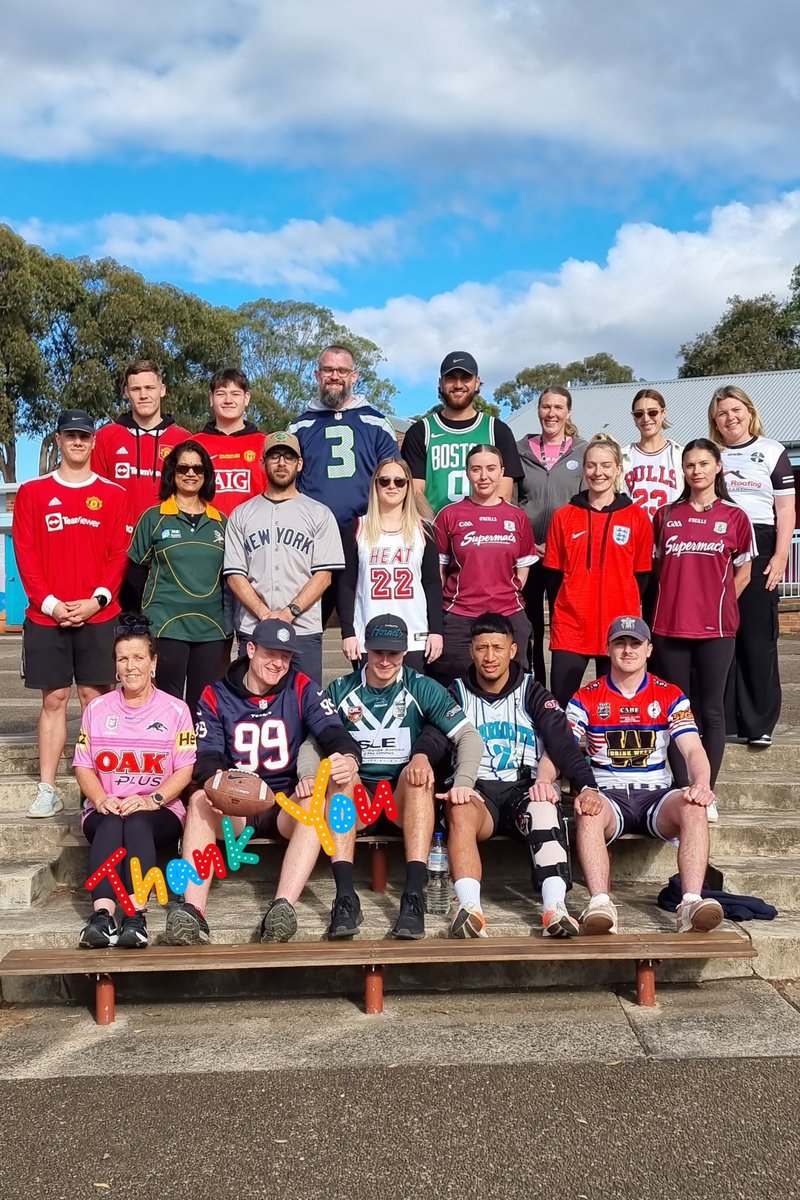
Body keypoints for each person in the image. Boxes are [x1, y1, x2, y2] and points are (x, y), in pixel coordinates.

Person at [163, 619, 363, 946]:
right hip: (238, 804)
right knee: (200, 798)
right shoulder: (216, 694)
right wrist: (216, 782)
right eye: (271, 653)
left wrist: (348, 758)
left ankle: (282, 907)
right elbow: (208, 753)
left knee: (315, 803)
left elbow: (334, 732)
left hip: (284, 803)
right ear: (251, 649)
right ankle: (193, 911)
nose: (278, 663)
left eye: (285, 656)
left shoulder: (301, 687)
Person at [412, 612, 603, 939]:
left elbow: (562, 742)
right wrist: (421, 756)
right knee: (458, 807)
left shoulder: (532, 691)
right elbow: (435, 735)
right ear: (470, 650)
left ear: (513, 650)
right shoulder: (456, 692)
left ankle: (555, 907)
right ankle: (470, 909)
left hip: (522, 790)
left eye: (497, 648)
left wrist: (586, 785)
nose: (489, 657)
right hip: (478, 792)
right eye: (482, 648)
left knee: (544, 806)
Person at [296, 615, 484, 940]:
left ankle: (412, 896)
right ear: (365, 649)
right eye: (378, 652)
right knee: (339, 777)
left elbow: (469, 736)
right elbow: (313, 742)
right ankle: (344, 897)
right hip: (359, 797)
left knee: (419, 778)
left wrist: (464, 781)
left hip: (400, 798)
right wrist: (309, 775)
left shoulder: (421, 686)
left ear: (405, 651)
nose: (385, 661)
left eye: (394, 654)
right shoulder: (341, 690)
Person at [567, 616, 725, 936]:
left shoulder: (669, 694)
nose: (627, 650)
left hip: (655, 793)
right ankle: (600, 902)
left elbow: (693, 749)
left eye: (635, 643)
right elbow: (560, 748)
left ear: (649, 649)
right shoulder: (587, 696)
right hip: (608, 795)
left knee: (694, 807)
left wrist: (701, 785)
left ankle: (691, 903)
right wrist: (545, 780)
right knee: (587, 808)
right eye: (620, 643)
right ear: (607, 649)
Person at [12, 409, 130, 818]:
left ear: (93, 442)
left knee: (95, 700)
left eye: (84, 436)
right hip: (48, 616)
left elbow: (119, 555)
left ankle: (102, 786)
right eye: (70, 436)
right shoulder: (32, 492)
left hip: (98, 614)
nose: (78, 442)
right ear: (58, 440)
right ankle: (47, 788)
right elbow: (24, 553)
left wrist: (96, 600)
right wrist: (50, 603)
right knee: (55, 699)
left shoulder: (114, 494)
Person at [74, 615, 197, 949]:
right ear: (115, 665)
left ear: (153, 662)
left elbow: (184, 770)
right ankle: (101, 917)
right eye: (123, 658)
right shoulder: (97, 708)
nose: (131, 666)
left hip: (160, 808)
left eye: (139, 657)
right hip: (108, 805)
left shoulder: (177, 710)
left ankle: (135, 916)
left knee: (139, 823)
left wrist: (152, 798)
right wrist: (100, 798)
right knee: (112, 824)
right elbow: (84, 766)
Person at [651, 439, 754, 789]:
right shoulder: (665, 515)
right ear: (683, 469)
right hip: (670, 627)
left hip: (717, 629)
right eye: (690, 465)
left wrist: (720, 603)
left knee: (711, 711)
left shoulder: (735, 516)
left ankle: (704, 789)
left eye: (703, 464)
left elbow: (744, 573)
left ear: (718, 467)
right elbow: (654, 569)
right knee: (678, 713)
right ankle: (682, 788)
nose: (696, 471)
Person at [708, 385, 796, 747]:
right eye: (723, 413)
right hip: (717, 547)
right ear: (715, 420)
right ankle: (724, 720)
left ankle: (759, 723)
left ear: (749, 410)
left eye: (736, 410)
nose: (731, 418)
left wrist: (780, 556)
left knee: (757, 638)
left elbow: (786, 510)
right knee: (719, 636)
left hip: (761, 547)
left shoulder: (772, 451)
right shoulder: (711, 454)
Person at [288, 344, 398, 624]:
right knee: (307, 626)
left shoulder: (375, 422)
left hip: (364, 538)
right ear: (316, 374)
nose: (334, 375)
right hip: (313, 542)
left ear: (354, 376)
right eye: (328, 370)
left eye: (342, 370)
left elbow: (394, 481)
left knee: (364, 626)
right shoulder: (299, 427)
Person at [223, 431, 344, 682]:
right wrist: (264, 614)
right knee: (251, 707)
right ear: (262, 462)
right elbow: (235, 575)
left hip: (303, 630)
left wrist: (289, 612)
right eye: (274, 456)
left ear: (299, 464)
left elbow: (323, 576)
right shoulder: (241, 514)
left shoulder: (319, 513)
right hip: (253, 628)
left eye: (289, 457)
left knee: (305, 708)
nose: (281, 463)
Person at [544, 434, 653, 708]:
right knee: (562, 704)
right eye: (591, 465)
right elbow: (554, 574)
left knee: (614, 706)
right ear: (584, 468)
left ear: (618, 469)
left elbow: (642, 575)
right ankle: (561, 752)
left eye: (606, 465)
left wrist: (622, 602)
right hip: (571, 626)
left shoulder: (637, 517)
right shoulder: (564, 516)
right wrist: (571, 602)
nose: (598, 472)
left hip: (618, 628)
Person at [124, 440, 229, 717]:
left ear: (206, 475)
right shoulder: (153, 518)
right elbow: (134, 577)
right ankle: (166, 759)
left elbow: (231, 580)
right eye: (184, 467)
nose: (191, 473)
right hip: (166, 625)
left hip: (211, 629)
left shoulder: (221, 521)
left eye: (198, 468)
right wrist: (138, 621)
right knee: (166, 705)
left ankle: (198, 760)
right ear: (172, 472)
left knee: (204, 707)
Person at [433, 445, 536, 684]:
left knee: (513, 685)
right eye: (476, 469)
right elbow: (439, 568)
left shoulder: (516, 516)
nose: (484, 476)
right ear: (467, 473)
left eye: (491, 469)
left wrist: (507, 591)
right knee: (454, 686)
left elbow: (523, 565)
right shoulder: (449, 514)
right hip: (460, 614)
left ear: (501, 472)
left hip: (509, 613)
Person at [337, 457, 443, 674]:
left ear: (408, 486)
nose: (392, 486)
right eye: (384, 481)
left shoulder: (424, 530)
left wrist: (436, 630)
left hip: (414, 634)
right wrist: (348, 632)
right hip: (368, 632)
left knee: (414, 702)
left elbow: (432, 584)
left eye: (399, 481)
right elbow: (346, 584)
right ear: (375, 484)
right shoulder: (358, 527)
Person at [516, 386, 587, 685]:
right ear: (538, 410)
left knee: (563, 624)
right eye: (546, 407)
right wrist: (529, 544)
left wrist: (560, 543)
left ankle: (560, 691)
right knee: (529, 625)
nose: (552, 413)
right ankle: (534, 688)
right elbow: (511, 501)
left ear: (568, 412)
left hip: (566, 555)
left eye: (559, 407)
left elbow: (586, 505)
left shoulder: (583, 451)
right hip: (527, 554)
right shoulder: (519, 450)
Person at [402, 351, 523, 514]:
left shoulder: (497, 430)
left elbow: (504, 491)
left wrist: (479, 528)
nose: (458, 385)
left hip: (484, 533)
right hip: (434, 532)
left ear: (477, 382)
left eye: (465, 378)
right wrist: (435, 532)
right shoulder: (420, 432)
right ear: (440, 383)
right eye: (451, 378)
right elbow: (415, 493)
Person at [91, 360, 191, 526]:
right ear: (126, 392)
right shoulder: (105, 437)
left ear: (162, 390)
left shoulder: (183, 439)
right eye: (136, 389)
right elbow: (94, 492)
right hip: (119, 539)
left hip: (169, 538)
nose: (143, 395)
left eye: (150, 388)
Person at [621, 388, 684, 626]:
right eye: (639, 414)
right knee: (635, 620)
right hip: (636, 550)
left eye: (652, 412)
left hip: (670, 549)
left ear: (663, 413)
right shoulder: (624, 457)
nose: (646, 419)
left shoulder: (679, 454)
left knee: (667, 619)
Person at [194, 368, 266, 515]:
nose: (228, 400)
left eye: (235, 394)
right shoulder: (193, 445)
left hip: (253, 533)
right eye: (221, 394)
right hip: (204, 533)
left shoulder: (264, 444)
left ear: (246, 398)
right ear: (211, 399)